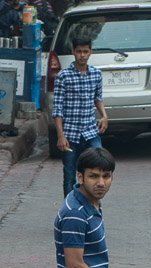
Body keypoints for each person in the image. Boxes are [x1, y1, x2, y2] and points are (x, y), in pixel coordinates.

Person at [52, 37, 107, 198]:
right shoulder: (63, 76)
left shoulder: (96, 74)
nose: (82, 55)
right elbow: (57, 109)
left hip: (90, 131)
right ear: (73, 52)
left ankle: (94, 205)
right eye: (79, 52)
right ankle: (69, 209)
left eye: (85, 51)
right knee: (70, 174)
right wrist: (61, 136)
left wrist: (104, 116)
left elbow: (98, 98)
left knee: (98, 167)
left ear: (90, 52)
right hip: (70, 134)